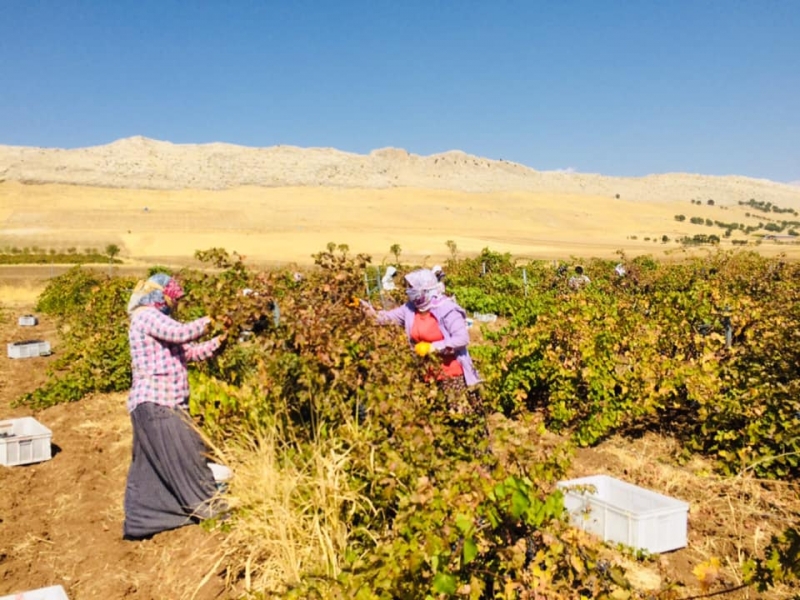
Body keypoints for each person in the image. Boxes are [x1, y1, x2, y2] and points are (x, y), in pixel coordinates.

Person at [123, 273, 226, 540]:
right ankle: (210, 509)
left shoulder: (158, 319)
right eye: (173, 298)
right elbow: (180, 333)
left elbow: (189, 352)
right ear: (160, 295)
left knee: (149, 467)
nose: (175, 304)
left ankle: (143, 520)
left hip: (154, 405)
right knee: (189, 455)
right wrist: (214, 320)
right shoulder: (146, 315)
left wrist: (220, 341)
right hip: (159, 403)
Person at [372, 269, 482, 416]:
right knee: (434, 420)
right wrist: (359, 307)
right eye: (409, 288)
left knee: (460, 419)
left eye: (413, 288)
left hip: (452, 376)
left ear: (425, 290)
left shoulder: (446, 309)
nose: (409, 291)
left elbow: (462, 338)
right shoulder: (410, 309)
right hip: (427, 375)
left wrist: (432, 347)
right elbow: (384, 318)